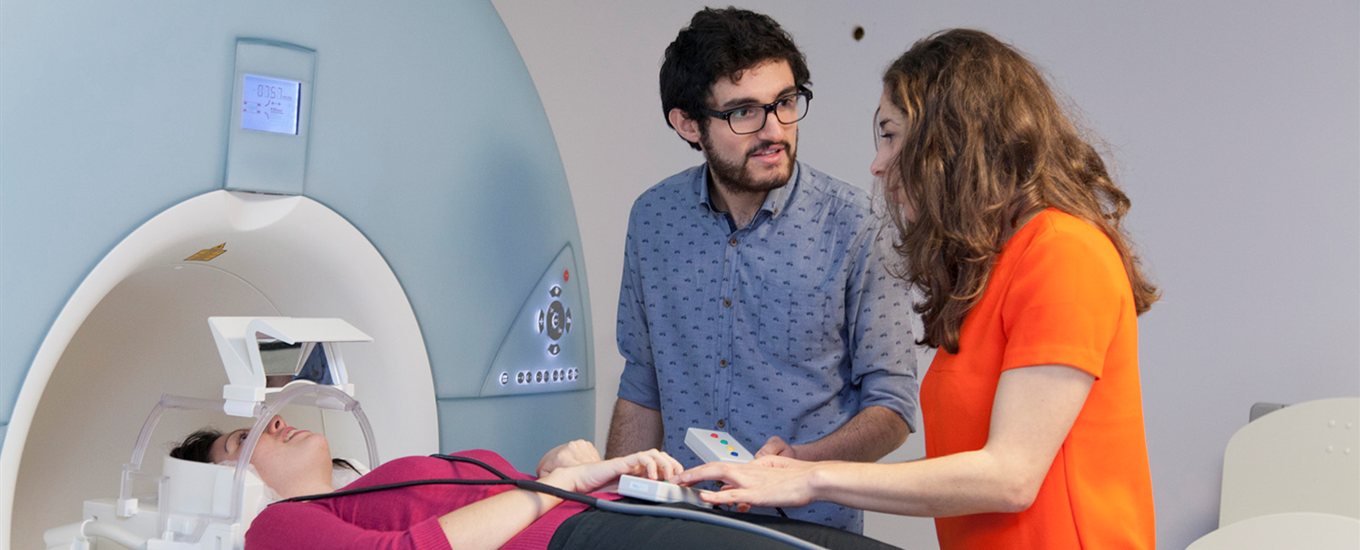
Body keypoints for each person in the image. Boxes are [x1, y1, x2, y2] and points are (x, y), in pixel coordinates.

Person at [679, 29, 1159, 549]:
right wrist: (805, 461)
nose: (877, 163)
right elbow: (966, 471)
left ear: (951, 139)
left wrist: (811, 480)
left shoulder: (1065, 252)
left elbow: (1009, 476)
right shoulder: (996, 267)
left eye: (890, 135)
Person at [608, 7, 919, 533]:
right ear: (688, 123)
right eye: (744, 112)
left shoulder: (857, 225)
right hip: (684, 524)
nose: (775, 130)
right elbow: (643, 383)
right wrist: (617, 514)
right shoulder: (653, 219)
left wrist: (801, 464)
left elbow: (892, 408)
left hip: (810, 527)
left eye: (785, 103)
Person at [171, 415, 900, 550]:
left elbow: (497, 495)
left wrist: (557, 464)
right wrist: (564, 484)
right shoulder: (274, 526)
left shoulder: (378, 480)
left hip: (604, 507)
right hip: (578, 531)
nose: (272, 424)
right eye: (242, 440)